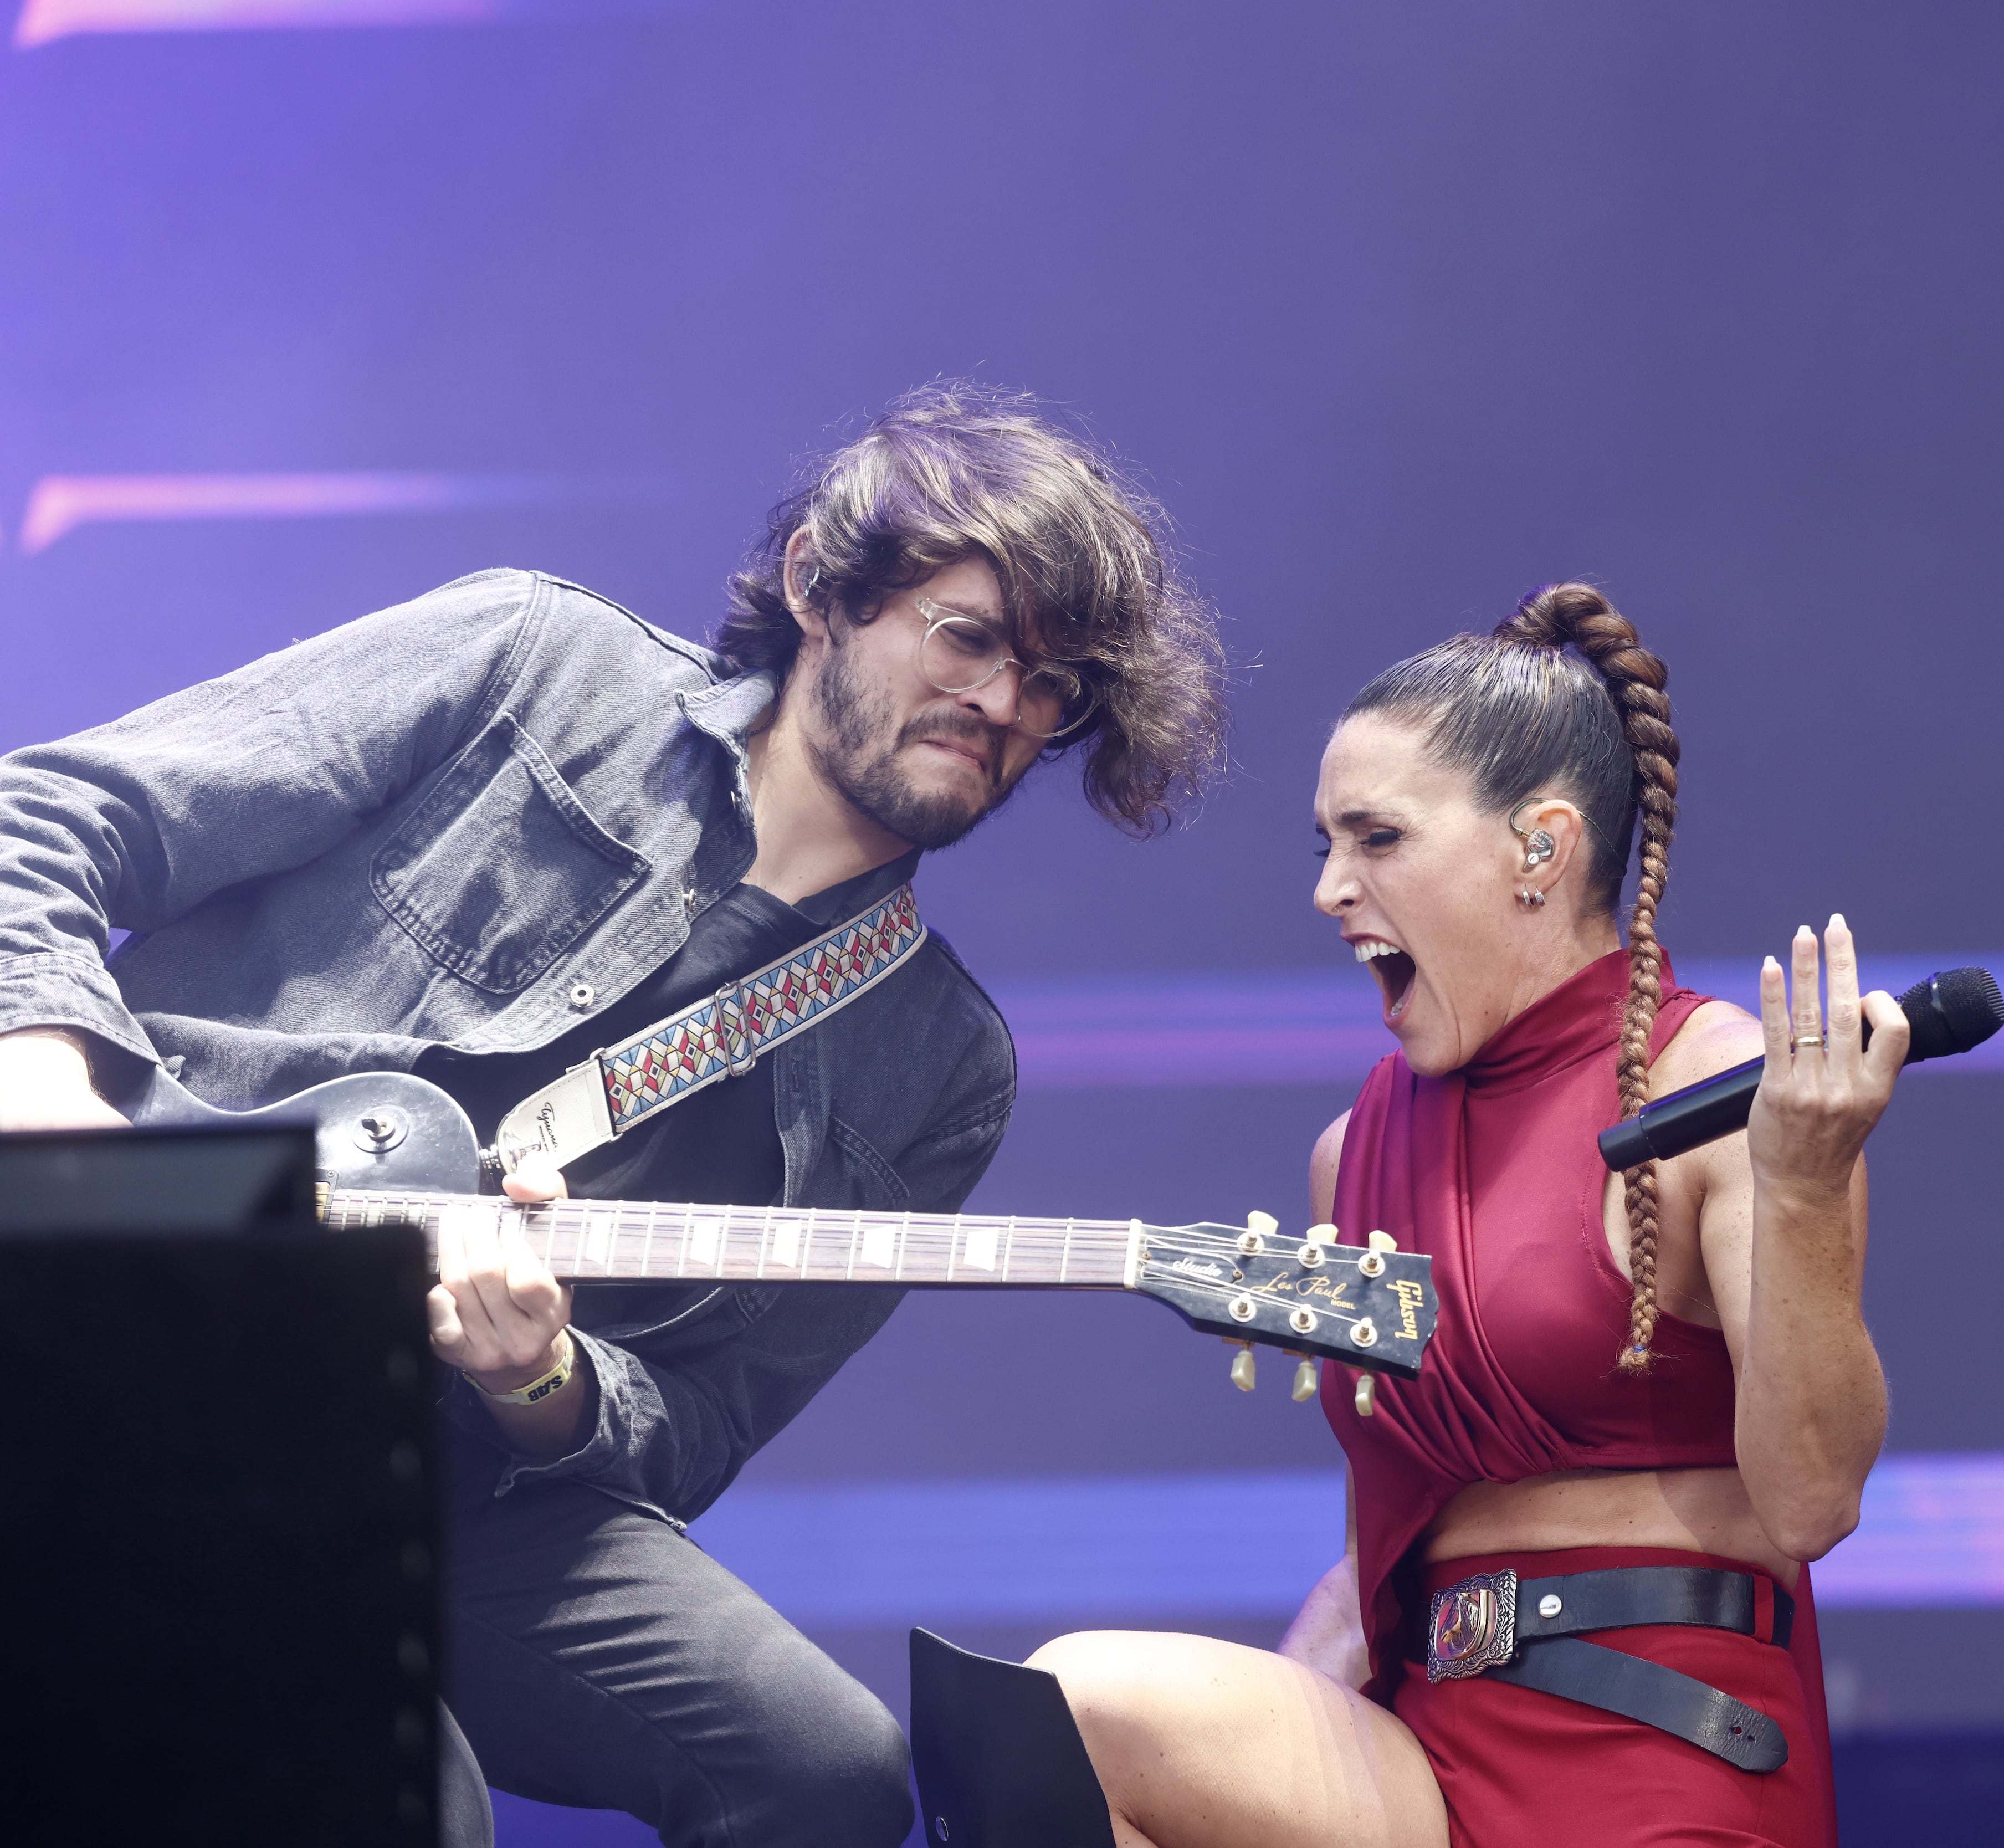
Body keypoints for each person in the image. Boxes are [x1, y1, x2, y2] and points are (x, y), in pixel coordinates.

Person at [0, 385, 1225, 1846]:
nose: (1007, 704)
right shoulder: (538, 661)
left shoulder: (941, 1064)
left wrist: (543, 1376)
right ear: (821, 588)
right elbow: (49, 820)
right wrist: (54, 1102)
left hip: (451, 1472)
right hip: (127, 1302)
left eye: (1057, 688)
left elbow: (696, 1422)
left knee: (824, 1773)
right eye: (970, 635)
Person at [1018, 584, 1903, 1848]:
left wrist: (1807, 1184)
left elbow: (1812, 1502)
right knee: (1060, 1712)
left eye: (1376, 838)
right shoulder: (1353, 1152)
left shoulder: (1713, 1081)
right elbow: (1392, 1533)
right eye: (1323, 843)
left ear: (1538, 849)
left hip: (1661, 1730)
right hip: (1425, 1741)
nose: (1330, 887)